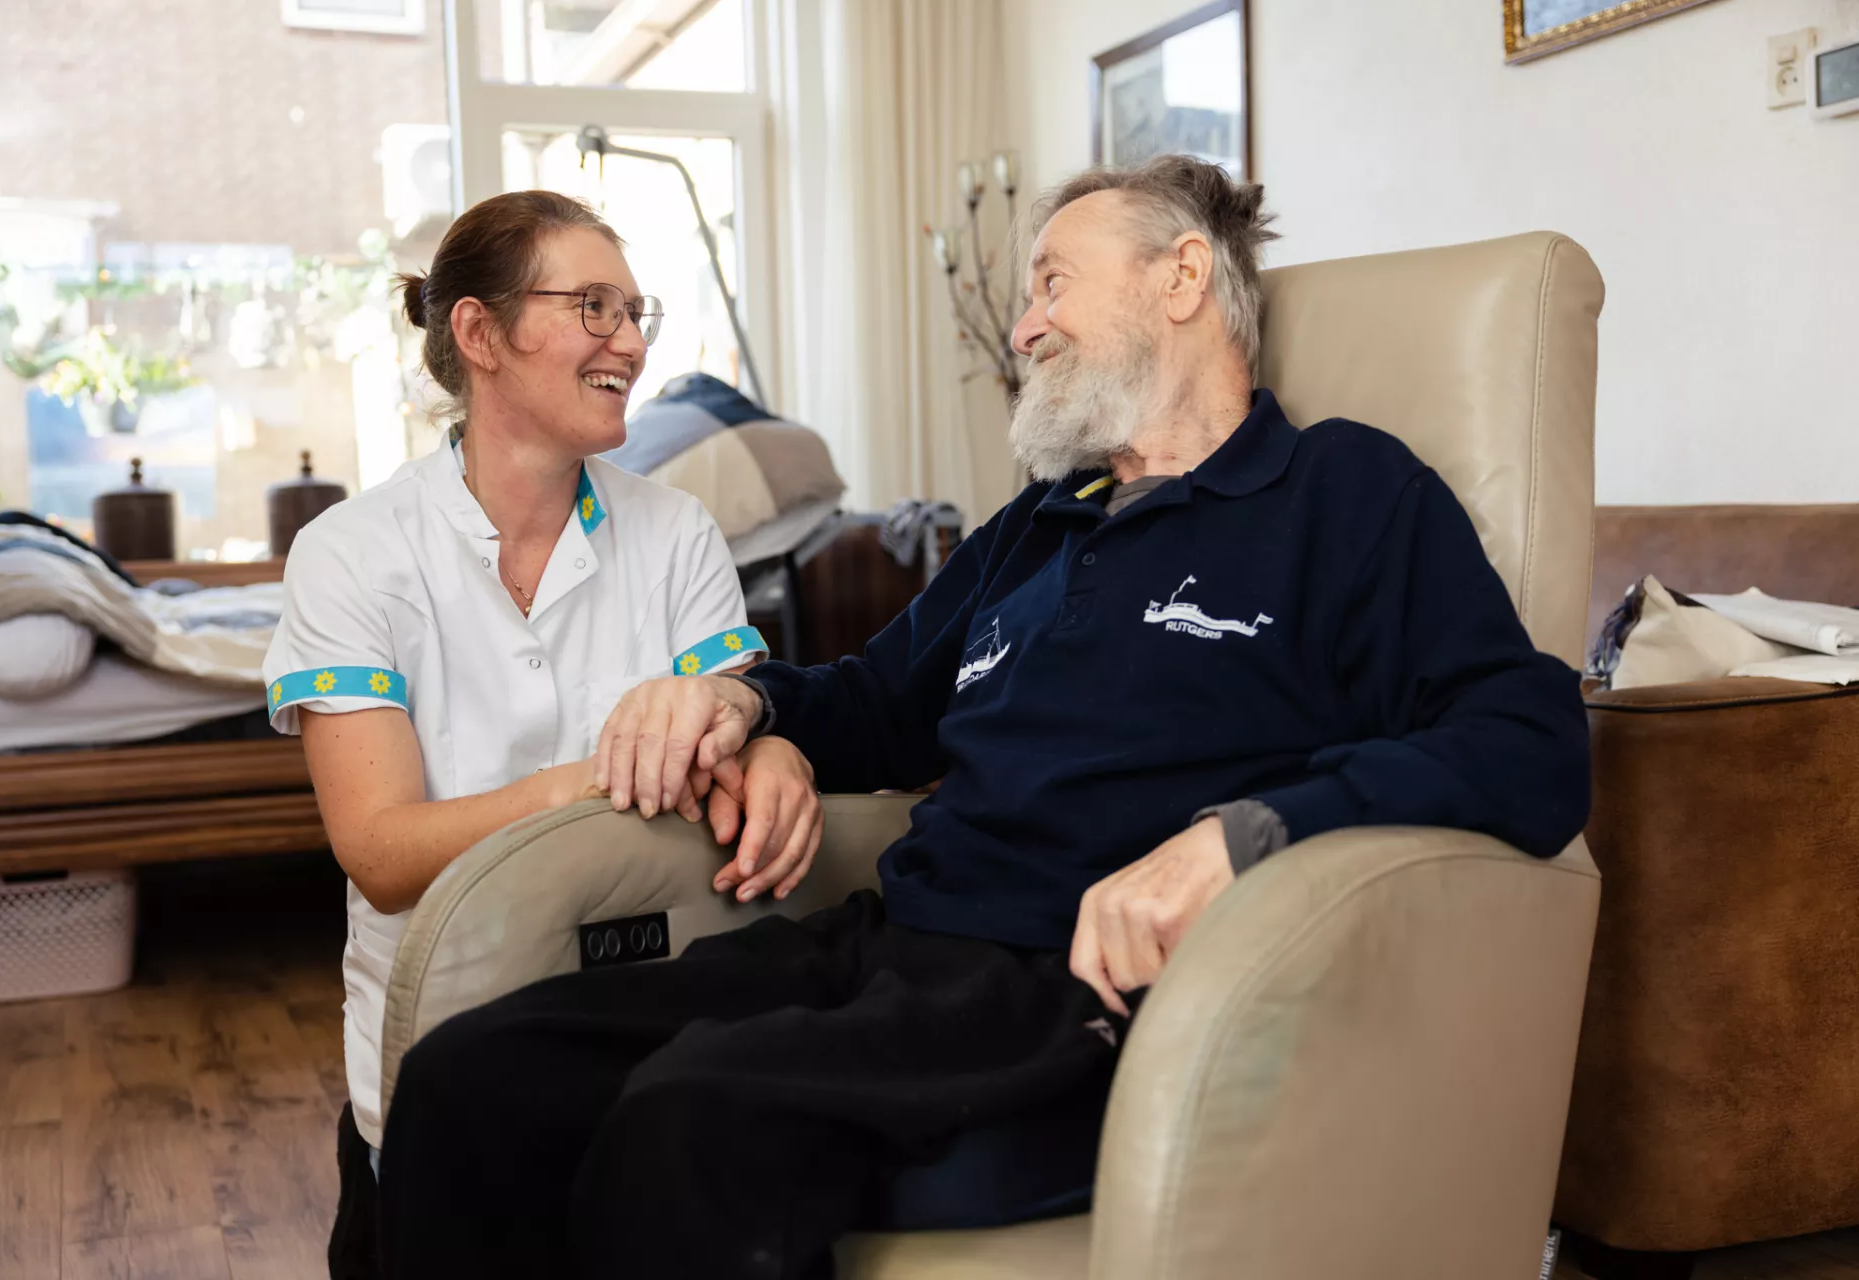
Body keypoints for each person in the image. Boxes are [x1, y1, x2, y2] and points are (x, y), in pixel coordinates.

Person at [376, 157, 1593, 1279]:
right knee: (472, 1075)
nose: (1023, 326)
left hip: (1085, 992)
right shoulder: (1044, 522)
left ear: (1181, 278)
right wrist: (739, 695)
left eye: (1053, 281)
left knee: (691, 1120)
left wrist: (1245, 836)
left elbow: (1527, 739)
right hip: (897, 946)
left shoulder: (1344, 492)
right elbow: (874, 701)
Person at [259, 190, 821, 1278]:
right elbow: (381, 850)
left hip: (661, 1059)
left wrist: (775, 750)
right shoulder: (352, 553)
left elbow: (733, 744)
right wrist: (589, 788)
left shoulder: (676, 534)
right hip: (437, 1069)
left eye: (636, 312)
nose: (632, 343)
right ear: (480, 333)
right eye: (594, 307)